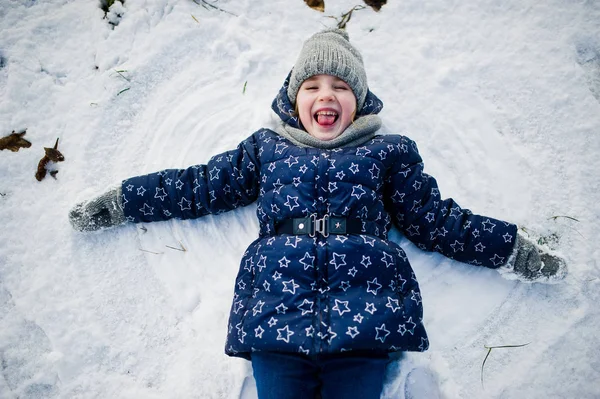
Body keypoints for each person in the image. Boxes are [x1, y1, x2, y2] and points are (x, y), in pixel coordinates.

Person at [69, 29, 566, 399]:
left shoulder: (387, 152)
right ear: (292, 101)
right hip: (275, 311)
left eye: (341, 88)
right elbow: (198, 186)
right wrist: (120, 202)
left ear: (359, 103)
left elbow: (436, 220)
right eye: (312, 86)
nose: (326, 95)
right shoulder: (266, 149)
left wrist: (514, 249)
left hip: (364, 311)